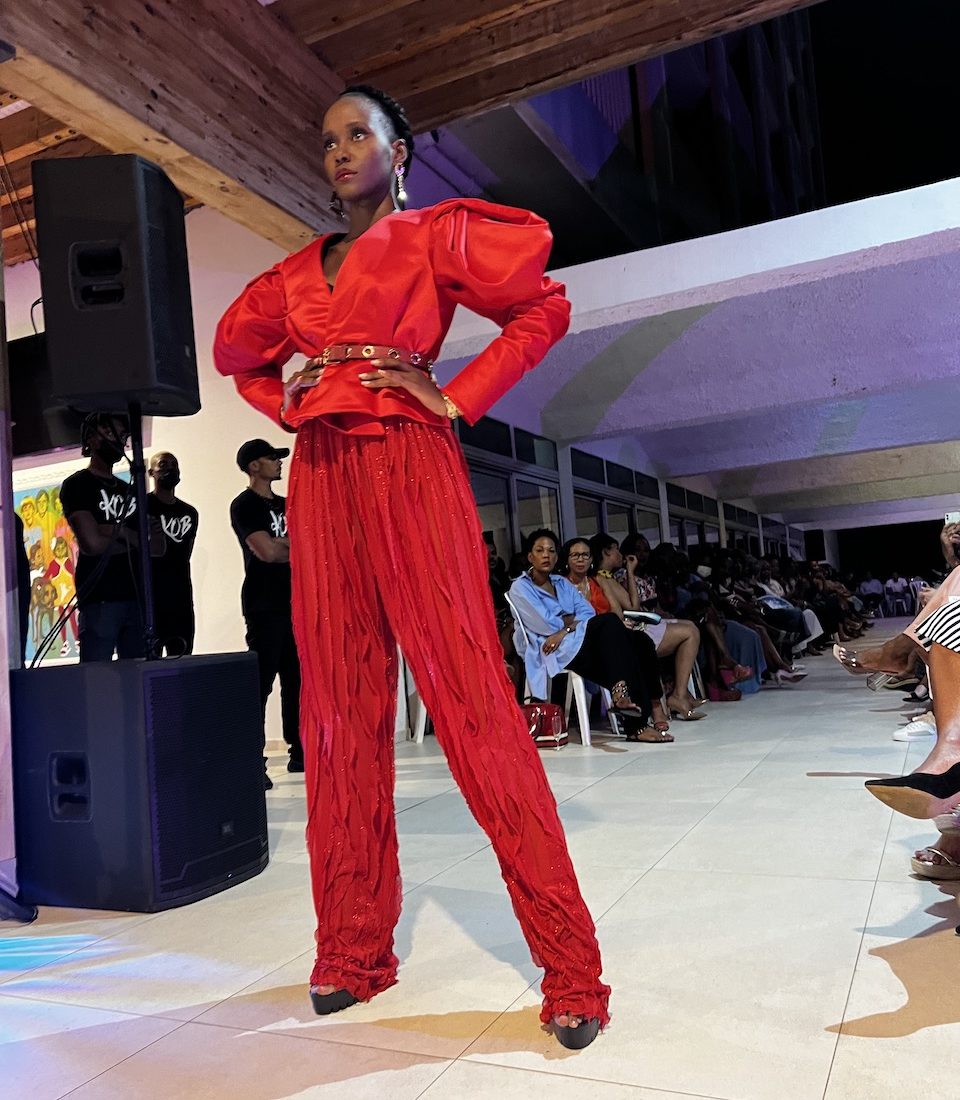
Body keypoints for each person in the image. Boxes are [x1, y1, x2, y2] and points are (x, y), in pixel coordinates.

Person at [214, 85, 608, 1047]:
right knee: (338, 716)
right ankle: (353, 949)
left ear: (400, 152)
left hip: (410, 463)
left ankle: (571, 968)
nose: (340, 151)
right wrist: (285, 402)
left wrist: (457, 396)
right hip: (322, 478)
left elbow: (543, 307)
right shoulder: (293, 275)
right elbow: (237, 356)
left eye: (359, 134)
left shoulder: (436, 236)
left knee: (474, 707)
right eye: (328, 140)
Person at [512, 530, 666, 741]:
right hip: (553, 649)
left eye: (551, 551)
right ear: (530, 556)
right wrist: (568, 622)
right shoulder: (520, 588)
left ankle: (637, 705)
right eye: (540, 551)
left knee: (640, 640)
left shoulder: (560, 582)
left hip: (576, 639)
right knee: (611, 623)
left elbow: (587, 612)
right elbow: (545, 625)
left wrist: (566, 628)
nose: (546, 555)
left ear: (557, 557)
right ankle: (635, 717)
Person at [230, 439, 304, 788]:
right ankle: (252, 760)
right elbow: (267, 552)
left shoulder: (290, 504)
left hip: (295, 602)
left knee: (297, 680)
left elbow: (306, 545)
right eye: (271, 457)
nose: (278, 462)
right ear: (253, 466)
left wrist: (284, 545)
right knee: (261, 684)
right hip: (264, 604)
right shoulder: (244, 505)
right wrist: (292, 546)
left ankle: (300, 750)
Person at [60, 413, 161, 662]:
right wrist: (128, 535)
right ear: (91, 439)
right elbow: (92, 543)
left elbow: (155, 547)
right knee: (97, 675)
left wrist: (111, 531)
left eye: (122, 435)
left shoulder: (130, 490)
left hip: (136, 598)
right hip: (100, 599)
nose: (117, 440)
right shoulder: (78, 484)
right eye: (109, 432)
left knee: (137, 675)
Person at [590, 532, 704, 720]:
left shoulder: (608, 578)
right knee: (690, 632)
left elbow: (633, 606)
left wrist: (630, 571)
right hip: (627, 632)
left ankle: (681, 693)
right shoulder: (602, 579)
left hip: (633, 626)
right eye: (616, 549)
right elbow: (624, 611)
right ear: (606, 552)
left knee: (690, 627)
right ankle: (679, 694)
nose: (620, 554)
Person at [147, 452, 199, 656]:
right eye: (163, 464)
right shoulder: (143, 506)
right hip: (152, 599)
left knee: (182, 659)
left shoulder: (189, 513)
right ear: (151, 472)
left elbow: (186, 553)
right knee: (150, 662)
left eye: (174, 464)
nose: (170, 468)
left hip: (181, 598)